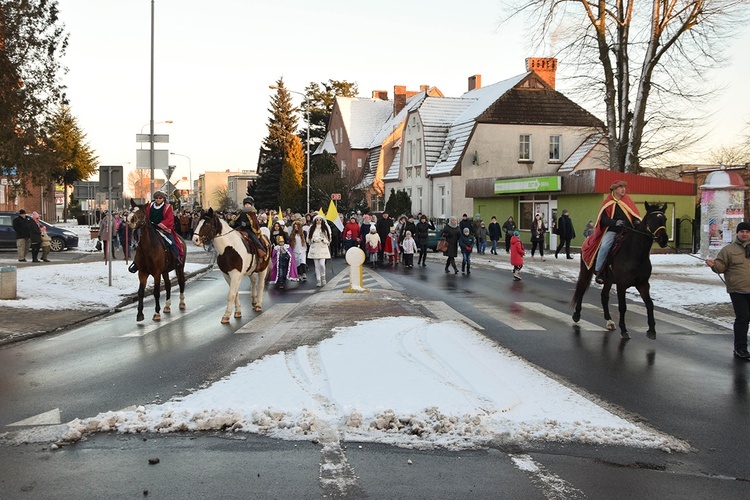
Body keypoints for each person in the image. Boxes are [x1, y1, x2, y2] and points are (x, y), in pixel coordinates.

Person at [582, 180, 641, 284]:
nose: (623, 189)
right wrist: (615, 222)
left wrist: (637, 221)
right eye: (620, 187)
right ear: (614, 189)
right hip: (613, 231)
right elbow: (603, 219)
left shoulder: (627, 200)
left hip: (628, 230)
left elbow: (633, 215)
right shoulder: (608, 202)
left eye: (624, 187)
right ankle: (599, 271)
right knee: (605, 246)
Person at [706, 221, 750, 360]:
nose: (744, 234)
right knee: (743, 318)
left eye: (747, 232)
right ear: (737, 233)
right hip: (738, 290)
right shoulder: (728, 250)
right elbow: (721, 267)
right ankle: (740, 348)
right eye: (742, 231)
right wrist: (714, 265)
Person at [145, 190, 184, 265]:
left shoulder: (167, 207)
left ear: (163, 199)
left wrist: (161, 225)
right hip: (151, 228)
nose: (158, 199)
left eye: (160, 198)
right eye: (156, 198)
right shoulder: (150, 206)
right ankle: (137, 262)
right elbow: (146, 215)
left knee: (172, 242)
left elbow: (169, 219)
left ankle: (177, 258)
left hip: (163, 229)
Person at [307, 215, 331, 287]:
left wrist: (323, 239)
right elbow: (308, 238)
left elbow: (329, 238)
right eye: (317, 220)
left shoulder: (325, 228)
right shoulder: (311, 228)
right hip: (315, 248)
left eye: (320, 220)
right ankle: (318, 279)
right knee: (316, 265)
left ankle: (323, 276)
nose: (318, 221)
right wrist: (313, 240)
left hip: (322, 247)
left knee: (322, 264)